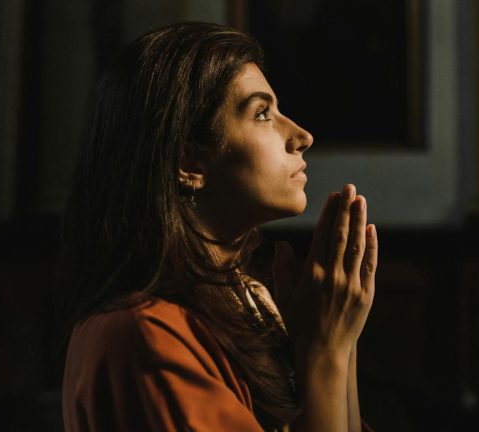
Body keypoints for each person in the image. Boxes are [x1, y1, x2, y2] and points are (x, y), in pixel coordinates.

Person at [59, 21, 378, 431]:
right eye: (262, 113)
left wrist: (336, 339)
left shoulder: (246, 304)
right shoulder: (146, 336)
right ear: (188, 164)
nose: (302, 136)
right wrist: (324, 352)